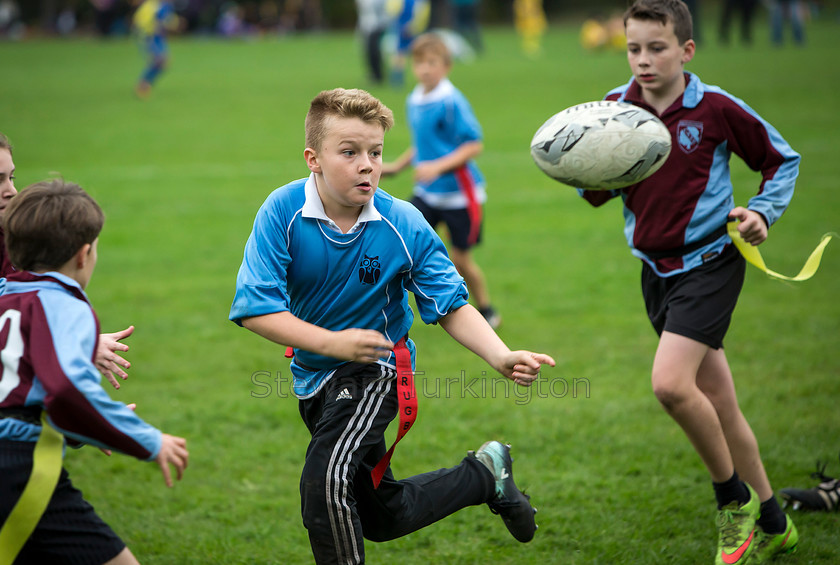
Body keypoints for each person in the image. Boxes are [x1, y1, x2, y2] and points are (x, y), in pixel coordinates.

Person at [230, 87, 555, 564]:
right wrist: (331, 343)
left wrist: (500, 354)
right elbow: (256, 308)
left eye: (376, 152)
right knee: (381, 516)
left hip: (377, 373)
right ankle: (485, 474)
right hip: (315, 379)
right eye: (350, 152)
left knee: (324, 483)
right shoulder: (282, 212)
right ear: (312, 159)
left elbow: (450, 304)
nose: (368, 164)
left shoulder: (404, 222)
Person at [577, 1, 800, 563]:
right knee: (720, 404)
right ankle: (775, 523)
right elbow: (598, 191)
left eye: (657, 47)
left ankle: (733, 502)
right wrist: (583, 163)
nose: (644, 61)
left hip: (711, 261)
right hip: (655, 271)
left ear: (686, 50)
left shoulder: (716, 108)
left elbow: (781, 159)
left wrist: (763, 213)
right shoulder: (613, 110)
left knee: (672, 386)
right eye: (633, 49)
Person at [0, 179, 189, 564]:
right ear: (84, 255)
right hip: (18, 466)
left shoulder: (6, 299)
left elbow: (23, 392)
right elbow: (67, 390)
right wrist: (147, 439)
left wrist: (92, 425)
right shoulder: (64, 306)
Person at [382, 33, 501, 329]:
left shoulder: (451, 101)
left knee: (460, 260)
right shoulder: (415, 98)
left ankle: (485, 308)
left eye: (431, 63)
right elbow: (425, 143)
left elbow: (474, 145)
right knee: (399, 244)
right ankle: (389, 313)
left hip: (460, 194)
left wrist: (437, 166)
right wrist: (398, 165)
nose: (424, 69)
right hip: (427, 193)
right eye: (419, 63)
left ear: (446, 66)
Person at [0, 132, 135, 390]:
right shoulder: (64, 309)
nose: (12, 191)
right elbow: (69, 400)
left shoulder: (8, 235)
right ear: (83, 256)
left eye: (11, 177)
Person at [132, 0, 180, 98]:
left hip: (154, 36)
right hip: (151, 36)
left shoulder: (157, 4)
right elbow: (161, 20)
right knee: (161, 60)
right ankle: (143, 84)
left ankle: (144, 83)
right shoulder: (159, 5)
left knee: (163, 61)